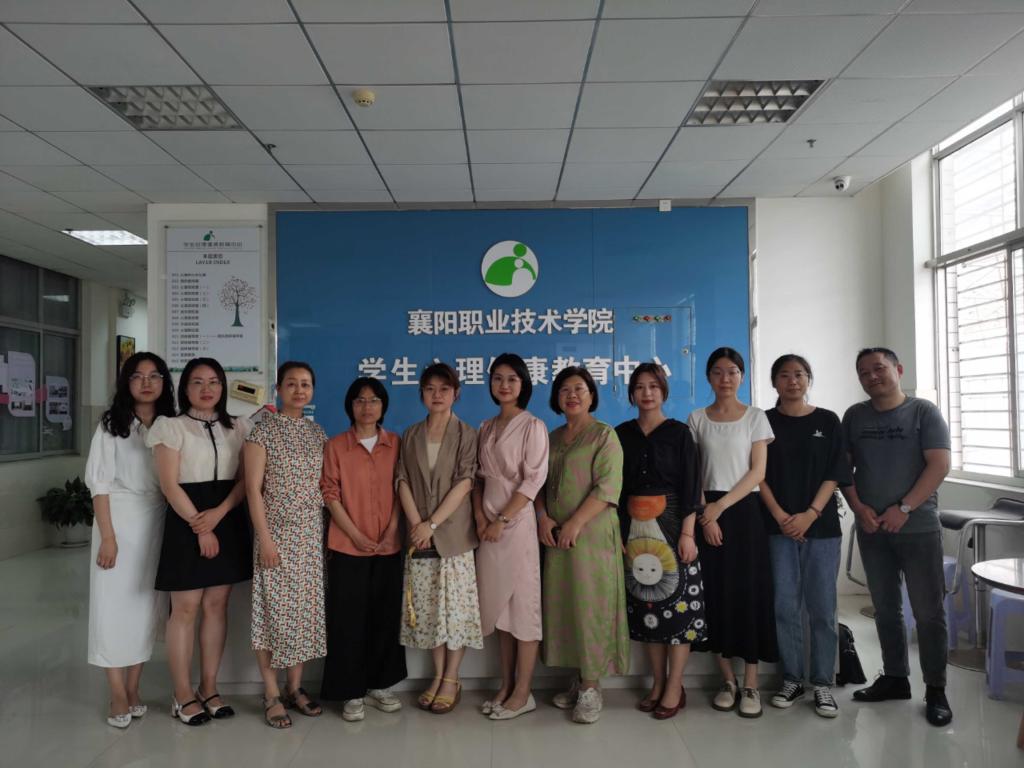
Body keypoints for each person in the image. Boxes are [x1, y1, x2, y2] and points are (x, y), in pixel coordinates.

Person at [840, 347, 952, 727]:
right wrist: (859, 508)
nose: (872, 376)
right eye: (863, 372)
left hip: (917, 527)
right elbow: (843, 469)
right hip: (873, 529)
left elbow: (939, 464)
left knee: (928, 612)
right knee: (886, 608)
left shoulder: (923, 412)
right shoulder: (854, 416)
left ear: (898, 369)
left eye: (879, 368)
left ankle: (935, 688)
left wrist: (903, 508)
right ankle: (894, 677)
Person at [147, 357, 252, 726]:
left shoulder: (238, 426)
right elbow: (169, 484)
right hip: (186, 520)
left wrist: (219, 515)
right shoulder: (170, 426)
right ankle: (182, 694)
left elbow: (244, 481)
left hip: (227, 517)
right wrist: (201, 526)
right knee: (185, 609)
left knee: (217, 605)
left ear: (223, 387)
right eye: (197, 382)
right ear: (185, 388)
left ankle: (209, 688)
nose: (207, 389)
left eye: (214, 382)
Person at [85, 352, 176, 728]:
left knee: (146, 609)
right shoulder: (112, 425)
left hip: (156, 522)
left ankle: (134, 687)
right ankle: (117, 692)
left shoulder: (170, 424)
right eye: (138, 376)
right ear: (127, 382)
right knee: (111, 607)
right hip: (117, 522)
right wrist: (108, 537)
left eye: (154, 376)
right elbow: (99, 484)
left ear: (164, 383)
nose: (146, 383)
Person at [759, 354, 850, 719]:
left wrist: (810, 514)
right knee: (785, 606)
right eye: (784, 375)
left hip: (821, 528)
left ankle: (823, 682)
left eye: (799, 374)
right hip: (778, 528)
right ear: (774, 382)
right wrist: (781, 516)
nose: (792, 381)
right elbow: (757, 473)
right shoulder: (763, 421)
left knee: (822, 608)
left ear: (809, 379)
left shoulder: (827, 420)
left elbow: (835, 472)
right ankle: (793, 679)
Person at [687, 347, 777, 718]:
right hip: (706, 511)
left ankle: (751, 683)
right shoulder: (696, 418)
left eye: (732, 371)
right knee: (716, 593)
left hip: (743, 512)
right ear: (708, 377)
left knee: (749, 593)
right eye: (718, 372)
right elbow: (694, 474)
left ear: (742, 376)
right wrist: (706, 517)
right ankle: (727, 680)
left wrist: (719, 509)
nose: (725, 378)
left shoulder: (756, 417)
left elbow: (758, 472)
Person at [538, 366, 627, 725]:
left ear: (592, 395)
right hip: (555, 536)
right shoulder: (551, 437)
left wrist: (575, 522)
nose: (572, 395)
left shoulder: (604, 435)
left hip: (591, 535)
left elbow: (608, 487)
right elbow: (536, 484)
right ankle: (579, 678)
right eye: (564, 390)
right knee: (566, 606)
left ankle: (591, 687)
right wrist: (543, 518)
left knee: (592, 605)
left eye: (579, 388)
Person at [615, 362, 705, 720]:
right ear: (631, 394)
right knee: (647, 608)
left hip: (673, 526)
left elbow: (691, 486)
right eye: (639, 387)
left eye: (653, 386)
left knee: (678, 606)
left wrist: (688, 532)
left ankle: (675, 685)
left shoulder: (680, 433)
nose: (646, 393)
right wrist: (619, 533)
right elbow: (616, 490)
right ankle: (657, 682)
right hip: (634, 530)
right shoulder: (621, 434)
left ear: (663, 391)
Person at [244, 362, 328, 729]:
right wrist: (264, 538)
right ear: (278, 389)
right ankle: (271, 693)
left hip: (309, 537)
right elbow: (252, 490)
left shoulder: (317, 432)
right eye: (291, 384)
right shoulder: (262, 431)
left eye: (305, 384)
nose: (299, 390)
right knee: (271, 614)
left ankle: (295, 688)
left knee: (303, 615)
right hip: (274, 536)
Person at [397, 362, 482, 714]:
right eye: (430, 389)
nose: (437, 395)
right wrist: (417, 525)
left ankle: (452, 678)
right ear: (421, 394)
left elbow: (465, 482)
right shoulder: (411, 434)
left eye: (444, 389)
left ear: (456, 393)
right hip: (419, 538)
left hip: (454, 536)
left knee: (456, 611)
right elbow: (401, 480)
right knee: (431, 610)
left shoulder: (467, 434)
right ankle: (437, 676)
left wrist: (431, 524)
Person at [320, 376, 406, 722]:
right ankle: (351, 690)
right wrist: (354, 534)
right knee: (348, 620)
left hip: (388, 545)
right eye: (359, 400)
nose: (367, 406)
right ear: (350, 406)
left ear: (383, 406)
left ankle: (380, 685)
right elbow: (330, 493)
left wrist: (392, 531)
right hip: (347, 546)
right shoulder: (336, 446)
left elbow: (402, 491)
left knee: (385, 617)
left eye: (373, 400)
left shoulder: (396, 444)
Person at [473, 353, 549, 721]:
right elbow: (477, 478)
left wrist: (502, 519)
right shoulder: (485, 426)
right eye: (498, 378)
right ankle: (505, 685)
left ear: (523, 384)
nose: (504, 385)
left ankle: (523, 692)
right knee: (500, 610)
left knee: (523, 610)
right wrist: (480, 518)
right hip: (488, 529)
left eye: (512, 379)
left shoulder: (533, 426)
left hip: (515, 527)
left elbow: (533, 481)